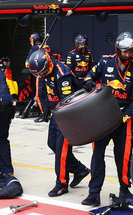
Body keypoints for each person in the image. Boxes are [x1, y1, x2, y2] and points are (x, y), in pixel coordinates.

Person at [81, 31, 133, 207]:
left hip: (124, 118)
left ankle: (125, 189)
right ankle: (94, 193)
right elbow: (89, 75)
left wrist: (125, 117)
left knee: (123, 157)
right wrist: (88, 82)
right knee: (97, 155)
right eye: (124, 52)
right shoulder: (104, 61)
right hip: (103, 116)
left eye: (131, 52)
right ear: (118, 49)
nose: (127, 55)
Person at [28, 49, 90, 197]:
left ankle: (61, 183)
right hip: (56, 113)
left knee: (61, 151)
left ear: (48, 64)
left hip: (68, 114)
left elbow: (67, 103)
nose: (40, 76)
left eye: (42, 72)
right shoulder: (44, 71)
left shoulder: (63, 75)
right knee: (52, 144)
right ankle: (79, 169)